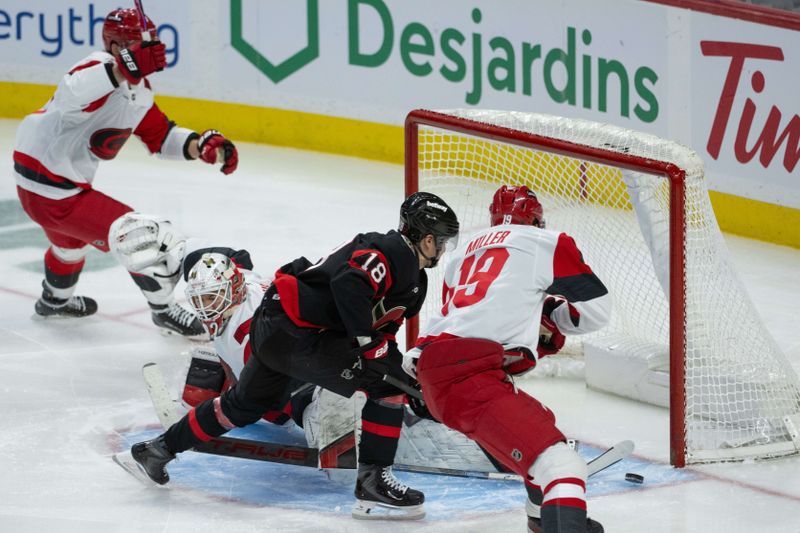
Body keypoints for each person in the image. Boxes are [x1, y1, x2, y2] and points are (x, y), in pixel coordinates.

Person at [128, 192, 460, 520]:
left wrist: (385, 361)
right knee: (386, 387)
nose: (444, 249)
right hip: (298, 335)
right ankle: (373, 482)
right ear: (428, 239)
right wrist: (379, 359)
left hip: (278, 329)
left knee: (242, 405)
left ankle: (157, 450)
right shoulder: (389, 253)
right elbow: (350, 285)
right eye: (442, 241)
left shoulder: (412, 279)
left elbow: (383, 327)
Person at [12, 8, 238, 338]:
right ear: (116, 46)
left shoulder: (140, 92)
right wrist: (123, 67)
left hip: (51, 183)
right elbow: (73, 92)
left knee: (70, 244)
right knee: (142, 238)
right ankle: (164, 312)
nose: (149, 49)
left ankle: (54, 300)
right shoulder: (96, 68)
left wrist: (201, 146)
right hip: (51, 185)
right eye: (135, 45)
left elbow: (160, 137)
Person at [405, 185, 612, 533]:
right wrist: (550, 318)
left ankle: (541, 517)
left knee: (541, 424)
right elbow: (595, 312)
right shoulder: (545, 241)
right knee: (563, 466)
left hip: (435, 368)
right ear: (536, 220)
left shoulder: (461, 253)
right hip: (468, 376)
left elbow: (466, 317)